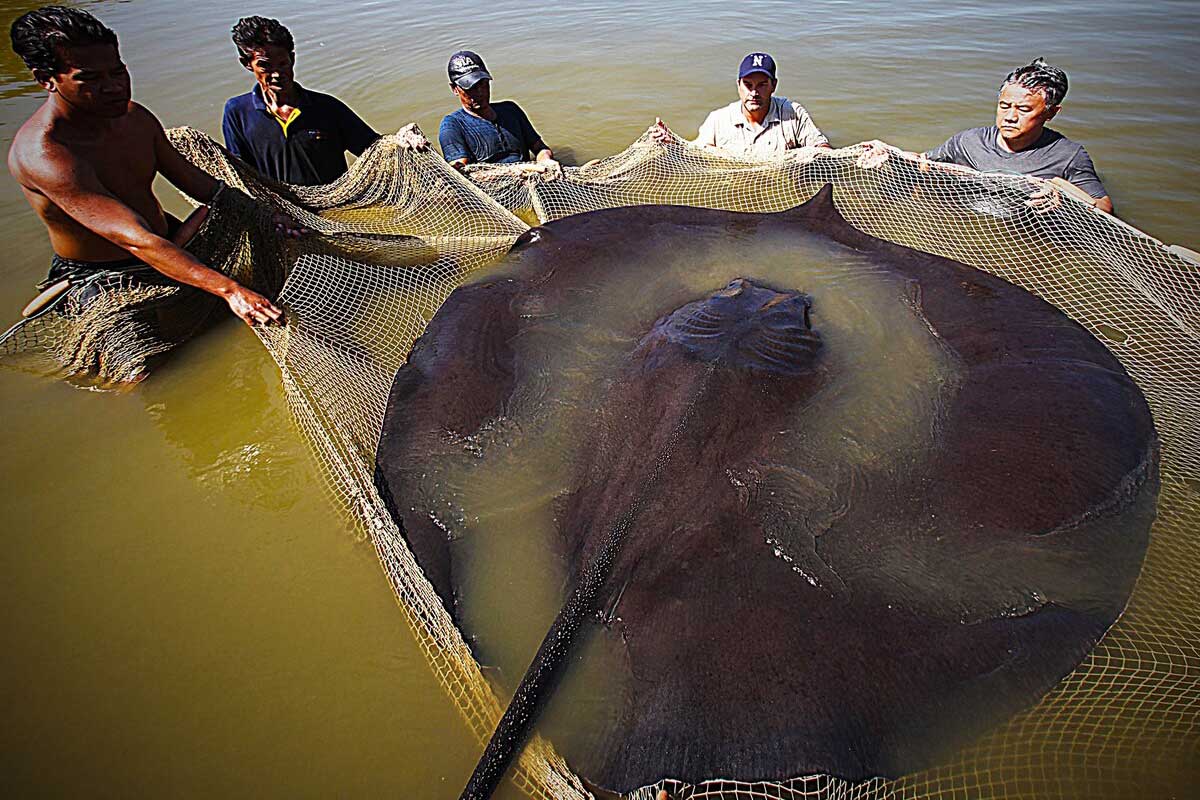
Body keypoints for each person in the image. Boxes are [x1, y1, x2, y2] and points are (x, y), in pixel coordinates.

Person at [7, 6, 302, 329]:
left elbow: (203, 187)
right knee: (138, 373)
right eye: (89, 79)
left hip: (174, 240)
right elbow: (136, 239)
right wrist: (230, 290)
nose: (114, 87)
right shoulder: (45, 153)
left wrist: (265, 214)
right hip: (109, 275)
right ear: (45, 79)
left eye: (118, 72)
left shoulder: (135, 118)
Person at [859, 58, 1113, 214]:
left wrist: (1065, 195)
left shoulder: (1067, 155)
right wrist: (890, 153)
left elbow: (1104, 207)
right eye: (1004, 106)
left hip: (1021, 233)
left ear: (1051, 113)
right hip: (959, 215)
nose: (1010, 117)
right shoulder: (970, 141)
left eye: (1024, 109)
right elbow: (924, 163)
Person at [222, 16, 382, 186]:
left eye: (283, 63)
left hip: (335, 208)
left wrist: (401, 141)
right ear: (247, 64)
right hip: (277, 211)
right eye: (265, 65)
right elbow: (240, 173)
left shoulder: (327, 108)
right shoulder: (237, 112)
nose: (276, 74)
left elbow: (375, 149)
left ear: (292, 59)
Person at [652, 53, 831, 158]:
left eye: (762, 85)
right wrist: (672, 142)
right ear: (738, 85)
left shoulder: (792, 113)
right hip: (735, 191)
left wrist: (851, 156)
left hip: (780, 191)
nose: (754, 93)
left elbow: (822, 149)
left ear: (774, 85)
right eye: (748, 85)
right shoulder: (718, 120)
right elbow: (695, 154)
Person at [438, 50, 555, 170]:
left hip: (531, 178)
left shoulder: (511, 110)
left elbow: (539, 148)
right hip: (491, 187)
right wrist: (519, 170)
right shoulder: (452, 125)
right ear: (455, 89)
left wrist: (545, 160)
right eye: (470, 88)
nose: (480, 92)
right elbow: (460, 172)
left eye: (483, 84)